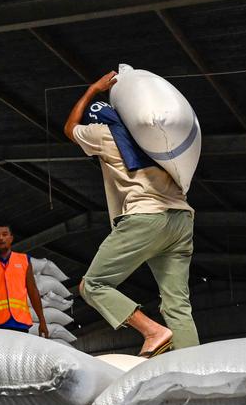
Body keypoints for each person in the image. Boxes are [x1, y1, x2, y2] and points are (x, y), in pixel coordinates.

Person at [63, 72, 198, 357]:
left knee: (93, 285)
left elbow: (69, 128)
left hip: (145, 218)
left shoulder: (103, 133)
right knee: (177, 305)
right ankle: (195, 369)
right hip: (182, 219)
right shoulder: (157, 137)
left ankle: (153, 332)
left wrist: (93, 89)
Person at [0, 223, 50, 338]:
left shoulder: (24, 261)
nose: (0, 238)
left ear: (11, 238)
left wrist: (42, 321)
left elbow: (33, 291)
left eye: (4, 234)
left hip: (19, 322)